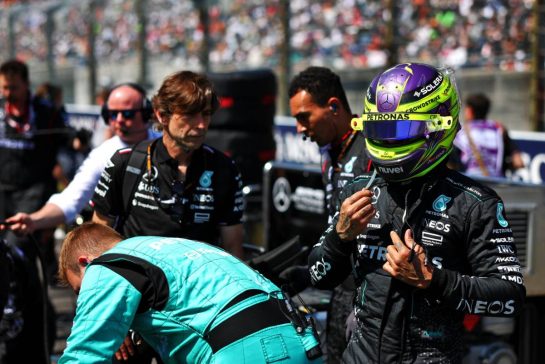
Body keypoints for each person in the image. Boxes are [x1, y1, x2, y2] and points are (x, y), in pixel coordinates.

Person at [308, 63, 526, 363]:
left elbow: (510, 297)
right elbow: (317, 276)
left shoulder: (476, 203)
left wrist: (432, 279)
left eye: (399, 130)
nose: (389, 142)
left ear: (439, 125)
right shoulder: (359, 191)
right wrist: (339, 238)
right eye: (380, 129)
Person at [57, 222, 322, 363]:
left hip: (246, 349)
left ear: (84, 262)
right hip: (299, 341)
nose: (85, 298)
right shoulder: (178, 247)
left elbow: (84, 356)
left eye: (81, 290)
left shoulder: (106, 265)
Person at [91, 70, 245, 258]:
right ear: (162, 115)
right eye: (190, 115)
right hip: (139, 281)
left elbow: (233, 247)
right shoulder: (126, 162)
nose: (201, 125)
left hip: (198, 282)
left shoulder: (224, 169)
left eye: (205, 114)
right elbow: (99, 233)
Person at [288, 67, 371, 363]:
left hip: (371, 296)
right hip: (340, 290)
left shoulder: (373, 147)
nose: (299, 128)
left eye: (303, 117)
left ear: (333, 107)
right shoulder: (329, 151)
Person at [3, 82, 160, 237]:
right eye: (112, 114)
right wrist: (33, 220)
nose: (118, 120)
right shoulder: (104, 154)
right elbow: (71, 199)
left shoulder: (164, 145)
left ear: (146, 113)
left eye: (127, 114)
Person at [0, 59, 69, 363]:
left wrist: (63, 170)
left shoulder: (48, 112)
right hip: (2, 195)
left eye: (13, 87)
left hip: (34, 199)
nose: (7, 93)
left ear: (26, 84)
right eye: (3, 87)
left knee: (20, 262)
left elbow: (67, 153)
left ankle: (36, 335)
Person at [453, 92, 524, 178]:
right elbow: (518, 162)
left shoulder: (460, 132)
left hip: (471, 184)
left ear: (469, 111)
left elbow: (453, 163)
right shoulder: (499, 129)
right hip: (497, 184)